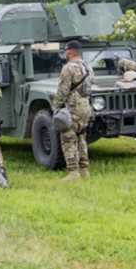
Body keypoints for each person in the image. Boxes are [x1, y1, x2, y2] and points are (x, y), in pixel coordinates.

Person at [53, 40, 94, 181]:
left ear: (70, 52)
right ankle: (84, 170)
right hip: (86, 106)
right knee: (82, 137)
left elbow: (63, 91)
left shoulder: (68, 68)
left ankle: (73, 172)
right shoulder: (88, 67)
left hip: (72, 107)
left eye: (66, 51)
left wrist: (56, 107)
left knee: (68, 138)